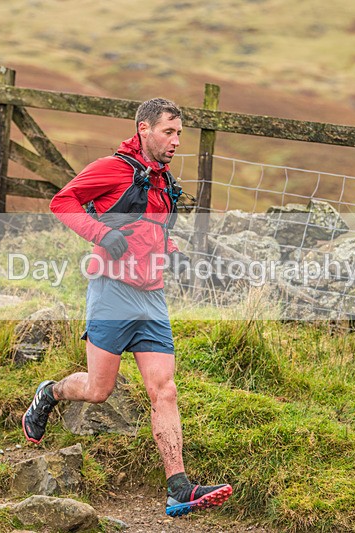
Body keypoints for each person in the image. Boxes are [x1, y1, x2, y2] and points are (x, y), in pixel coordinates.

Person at [22, 98, 233, 517]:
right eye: (168, 132)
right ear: (143, 129)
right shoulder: (113, 168)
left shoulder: (163, 180)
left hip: (151, 296)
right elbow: (62, 202)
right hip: (112, 291)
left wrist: (171, 250)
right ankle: (49, 393)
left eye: (179, 135)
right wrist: (100, 232)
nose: (176, 142)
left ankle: (179, 488)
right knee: (98, 391)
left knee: (165, 389)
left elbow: (151, 230)